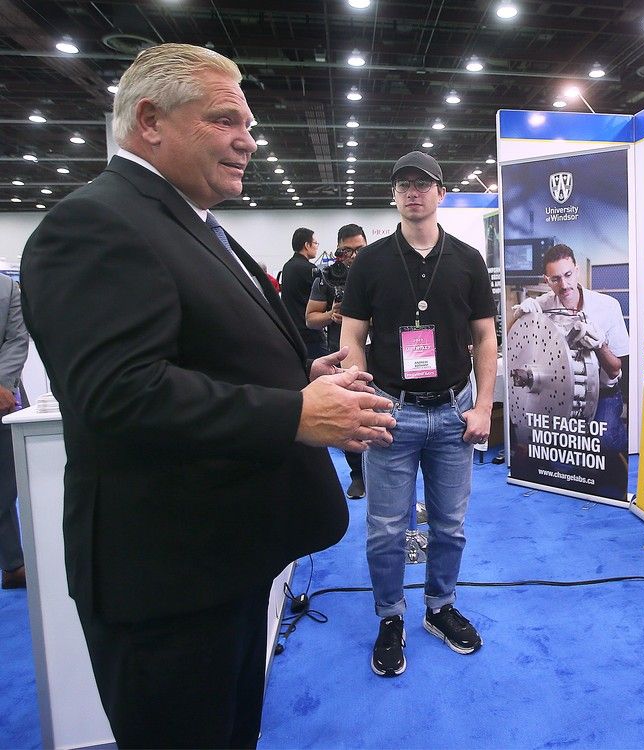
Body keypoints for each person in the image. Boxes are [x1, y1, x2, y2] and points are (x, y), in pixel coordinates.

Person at [19, 43, 395, 748]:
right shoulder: (95, 222)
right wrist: (295, 413)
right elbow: (117, 394)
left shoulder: (182, 221)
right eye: (226, 119)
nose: (248, 140)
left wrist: (298, 381)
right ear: (151, 121)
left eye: (247, 124)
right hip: (168, 584)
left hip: (217, 562)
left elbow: (195, 354)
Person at [340, 151, 497, 677]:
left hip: (454, 414)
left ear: (440, 193)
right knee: (385, 528)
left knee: (450, 524)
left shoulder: (469, 260)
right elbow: (351, 337)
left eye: (423, 183)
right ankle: (390, 616)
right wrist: (364, 399)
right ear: (394, 195)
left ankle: (439, 606)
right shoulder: (371, 261)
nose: (413, 192)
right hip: (393, 412)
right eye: (403, 183)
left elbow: (484, 339)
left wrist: (482, 407)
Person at [512, 243, 629, 453]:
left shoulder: (608, 306)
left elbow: (614, 370)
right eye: (555, 279)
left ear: (577, 271)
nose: (564, 285)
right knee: (558, 460)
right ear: (546, 280)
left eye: (568, 275)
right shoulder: (542, 305)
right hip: (559, 395)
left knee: (605, 444)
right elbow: (515, 344)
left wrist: (599, 344)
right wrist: (520, 316)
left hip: (603, 393)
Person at [307, 223, 367, 498]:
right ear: (339, 251)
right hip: (341, 356)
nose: (354, 256)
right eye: (347, 251)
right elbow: (310, 319)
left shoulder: (381, 272)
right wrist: (331, 315)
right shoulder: (325, 278)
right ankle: (358, 475)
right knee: (350, 417)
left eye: (360, 249)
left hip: (382, 355)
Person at [0, 274, 28, 590]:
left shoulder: (8, 287)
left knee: (7, 484)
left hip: (5, 399)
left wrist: (3, 385)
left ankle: (12, 564)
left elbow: (17, 338)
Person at [281, 227, 326, 359]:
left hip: (292, 330)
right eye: (315, 243)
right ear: (307, 245)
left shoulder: (287, 266)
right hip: (310, 332)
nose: (317, 247)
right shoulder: (309, 269)